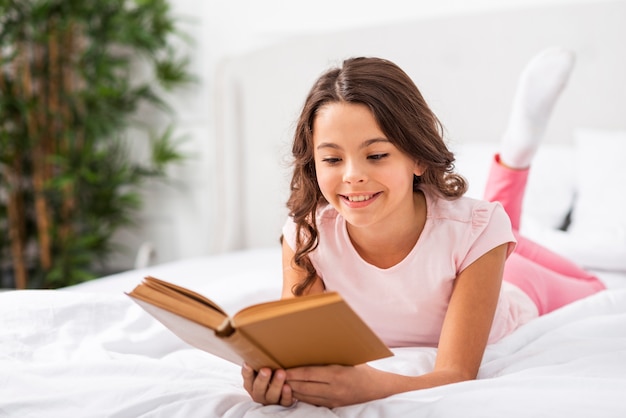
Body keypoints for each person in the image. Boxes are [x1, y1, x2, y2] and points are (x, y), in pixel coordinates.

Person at [241, 49, 606, 408]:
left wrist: (370, 387)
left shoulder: (474, 230)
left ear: (416, 157)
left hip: (519, 284)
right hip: (470, 240)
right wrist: (275, 381)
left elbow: (456, 373)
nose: (352, 175)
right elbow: (300, 352)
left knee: (592, 284)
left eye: (377, 155)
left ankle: (516, 156)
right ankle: (513, 178)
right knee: (485, 227)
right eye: (333, 159)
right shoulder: (308, 235)